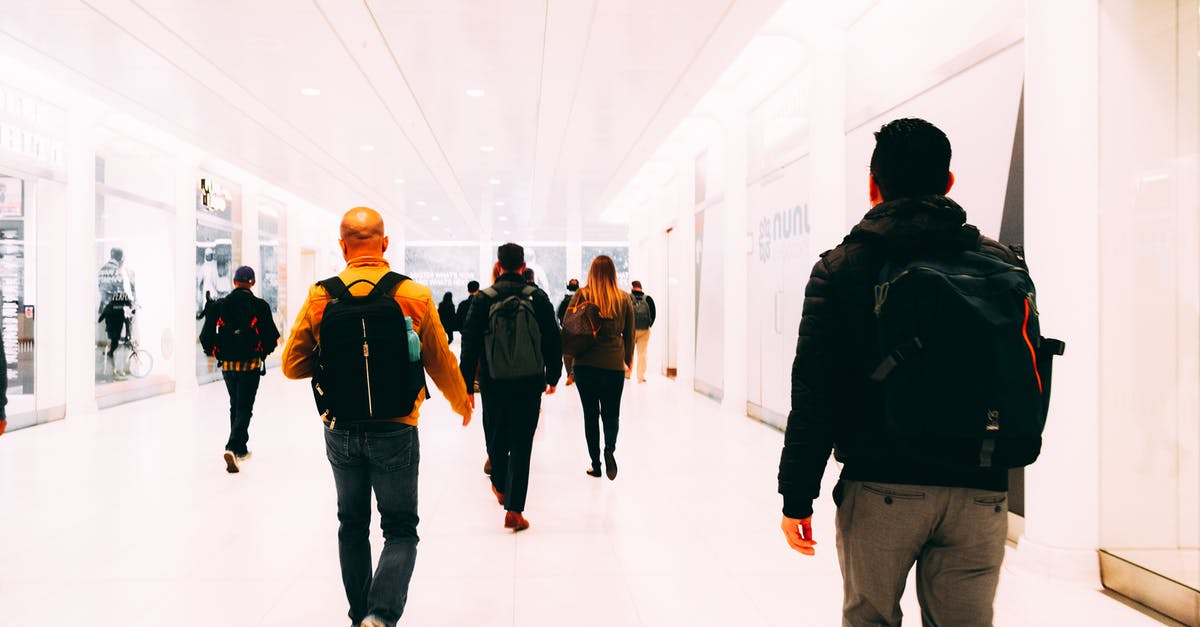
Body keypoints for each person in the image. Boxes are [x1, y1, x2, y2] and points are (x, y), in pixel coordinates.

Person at [777, 118, 1022, 626]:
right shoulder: (999, 261)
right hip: (982, 487)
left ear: (873, 187)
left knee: (870, 619)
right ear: (948, 183)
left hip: (881, 485)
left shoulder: (841, 268)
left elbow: (815, 392)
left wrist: (797, 495)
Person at [282, 207, 471, 627]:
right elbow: (439, 360)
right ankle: (380, 616)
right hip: (397, 427)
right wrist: (462, 402)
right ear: (384, 244)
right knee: (400, 527)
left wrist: (332, 359)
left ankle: (357, 616)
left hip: (341, 428)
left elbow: (292, 365)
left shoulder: (320, 296)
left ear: (342, 245)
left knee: (352, 524)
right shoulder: (414, 295)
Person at [460, 243, 562, 532]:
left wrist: (467, 384)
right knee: (522, 442)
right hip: (530, 382)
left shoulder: (483, 299)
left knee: (495, 434)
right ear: (522, 265)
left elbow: (469, 344)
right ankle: (515, 511)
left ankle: (499, 483)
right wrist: (553, 376)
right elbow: (553, 339)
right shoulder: (537, 297)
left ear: (499, 264)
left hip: (493, 381)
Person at [199, 266, 281, 473]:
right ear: (252, 283)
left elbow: (205, 336)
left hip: (227, 365)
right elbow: (272, 337)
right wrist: (262, 353)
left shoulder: (220, 305)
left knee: (235, 404)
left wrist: (216, 353)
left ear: (234, 282)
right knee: (244, 407)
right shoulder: (260, 306)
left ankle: (241, 449)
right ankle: (233, 447)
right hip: (250, 364)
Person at [565, 255, 634, 480]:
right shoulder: (623, 298)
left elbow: (568, 327)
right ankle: (610, 449)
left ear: (591, 273)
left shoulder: (581, 295)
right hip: (613, 366)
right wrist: (629, 361)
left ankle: (595, 463)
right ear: (613, 274)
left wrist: (569, 364)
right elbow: (630, 335)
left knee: (590, 415)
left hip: (585, 365)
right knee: (612, 414)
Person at [98, 292, 133, 380]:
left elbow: (101, 317)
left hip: (111, 331)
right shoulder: (122, 308)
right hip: (117, 332)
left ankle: (115, 370)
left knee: (114, 349)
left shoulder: (110, 306)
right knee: (115, 350)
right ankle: (116, 371)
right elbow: (127, 321)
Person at [629, 280, 656, 383]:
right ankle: (641, 376)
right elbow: (653, 313)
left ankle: (627, 373)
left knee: (629, 352)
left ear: (632, 287)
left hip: (631, 329)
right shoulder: (648, 299)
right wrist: (649, 325)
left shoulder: (628, 297)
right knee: (642, 353)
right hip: (644, 330)